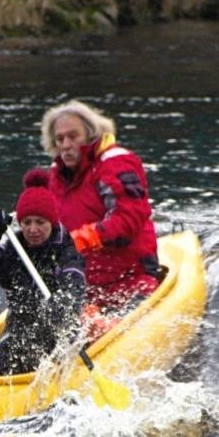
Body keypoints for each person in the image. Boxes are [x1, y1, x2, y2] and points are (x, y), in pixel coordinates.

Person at [39, 99, 161, 312]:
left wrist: (83, 239)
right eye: (60, 139)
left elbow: (128, 220)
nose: (66, 145)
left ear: (90, 134)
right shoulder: (55, 177)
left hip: (131, 281)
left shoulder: (115, 162)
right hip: (85, 287)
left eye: (73, 136)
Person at [0, 173, 86, 376]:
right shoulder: (14, 251)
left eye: (40, 222)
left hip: (56, 342)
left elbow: (75, 290)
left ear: (52, 223)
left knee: (25, 357)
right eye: (27, 222)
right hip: (15, 340)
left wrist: (63, 304)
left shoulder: (66, 254)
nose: (33, 229)